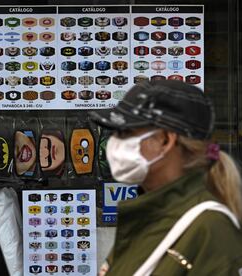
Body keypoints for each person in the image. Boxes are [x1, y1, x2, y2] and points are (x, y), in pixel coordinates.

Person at [89, 80, 242, 275]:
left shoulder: (210, 229)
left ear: (165, 141)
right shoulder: (146, 216)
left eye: (126, 132)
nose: (115, 143)